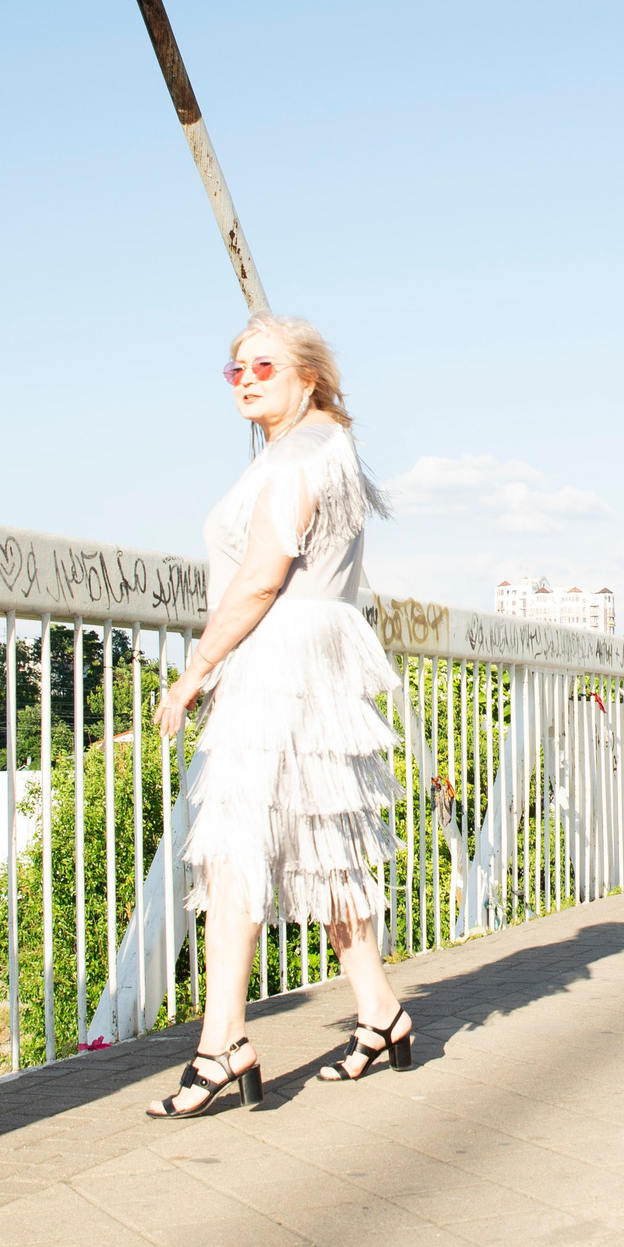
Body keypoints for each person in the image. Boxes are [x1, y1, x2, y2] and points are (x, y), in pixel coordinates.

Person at [145, 315, 413, 1117]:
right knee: (325, 846)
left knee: (237, 846)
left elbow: (263, 574)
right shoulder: (326, 446)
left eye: (264, 366)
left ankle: (222, 1041)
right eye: (236, 369)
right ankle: (380, 1011)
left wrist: (195, 671)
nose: (246, 379)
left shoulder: (298, 455)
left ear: (308, 377)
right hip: (315, 658)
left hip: (279, 661)